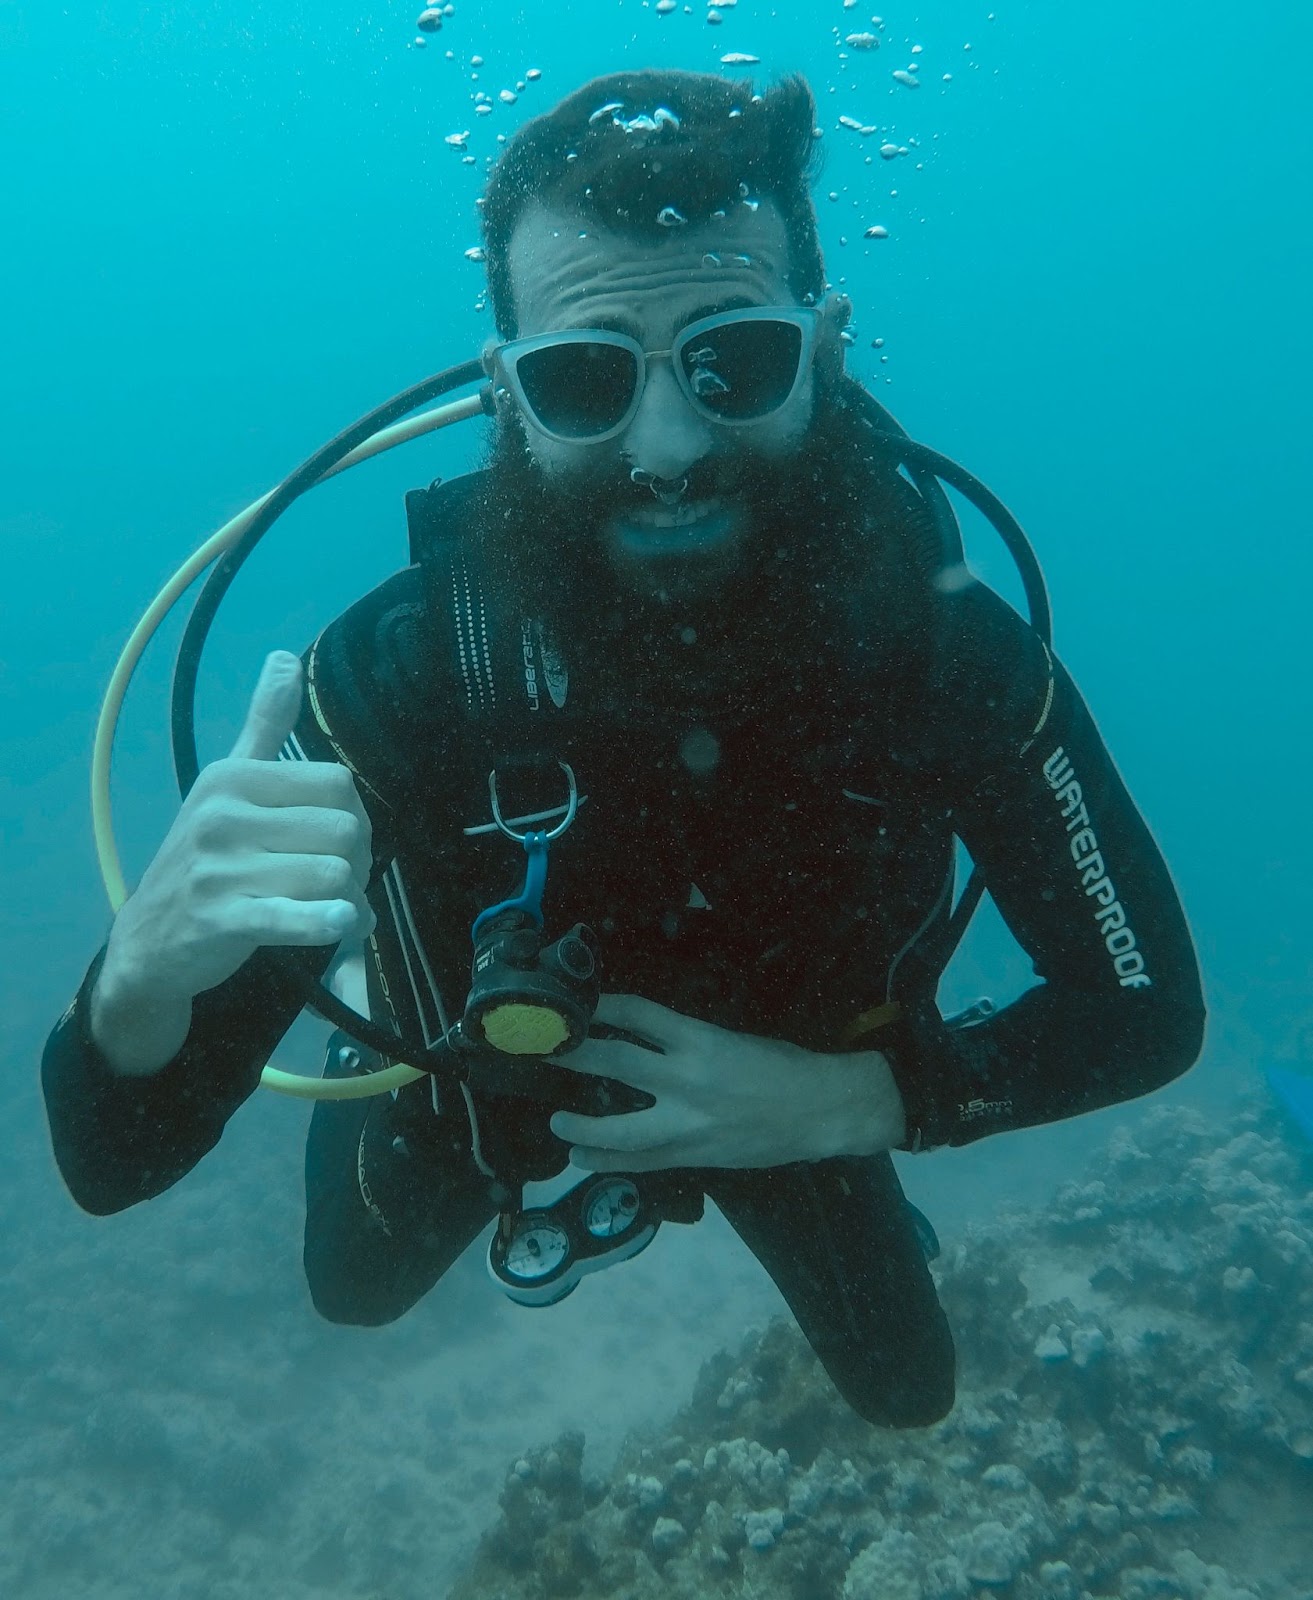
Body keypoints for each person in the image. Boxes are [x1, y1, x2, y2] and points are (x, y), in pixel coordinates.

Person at [41, 69, 1205, 1428]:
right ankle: (382, 974)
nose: (668, 444)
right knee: (351, 1285)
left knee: (906, 1392)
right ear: (507, 393)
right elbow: (112, 1166)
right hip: (488, 1072)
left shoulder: (935, 650)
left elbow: (1141, 1013)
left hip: (801, 1088)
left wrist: (856, 1102)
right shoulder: (407, 677)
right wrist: (136, 986)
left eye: (735, 358)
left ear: (822, 348)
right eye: (586, 378)